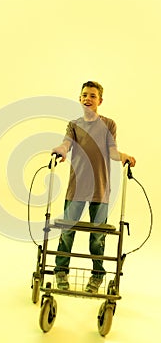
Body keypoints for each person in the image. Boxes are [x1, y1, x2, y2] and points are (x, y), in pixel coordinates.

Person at [52, 81, 136, 293]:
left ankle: (97, 276)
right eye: (84, 95)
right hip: (76, 188)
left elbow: (112, 152)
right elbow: (66, 143)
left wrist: (123, 156)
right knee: (67, 231)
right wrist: (61, 150)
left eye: (92, 95)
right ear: (80, 98)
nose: (88, 98)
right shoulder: (74, 124)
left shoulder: (109, 124)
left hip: (100, 189)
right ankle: (61, 272)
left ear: (100, 100)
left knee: (98, 236)